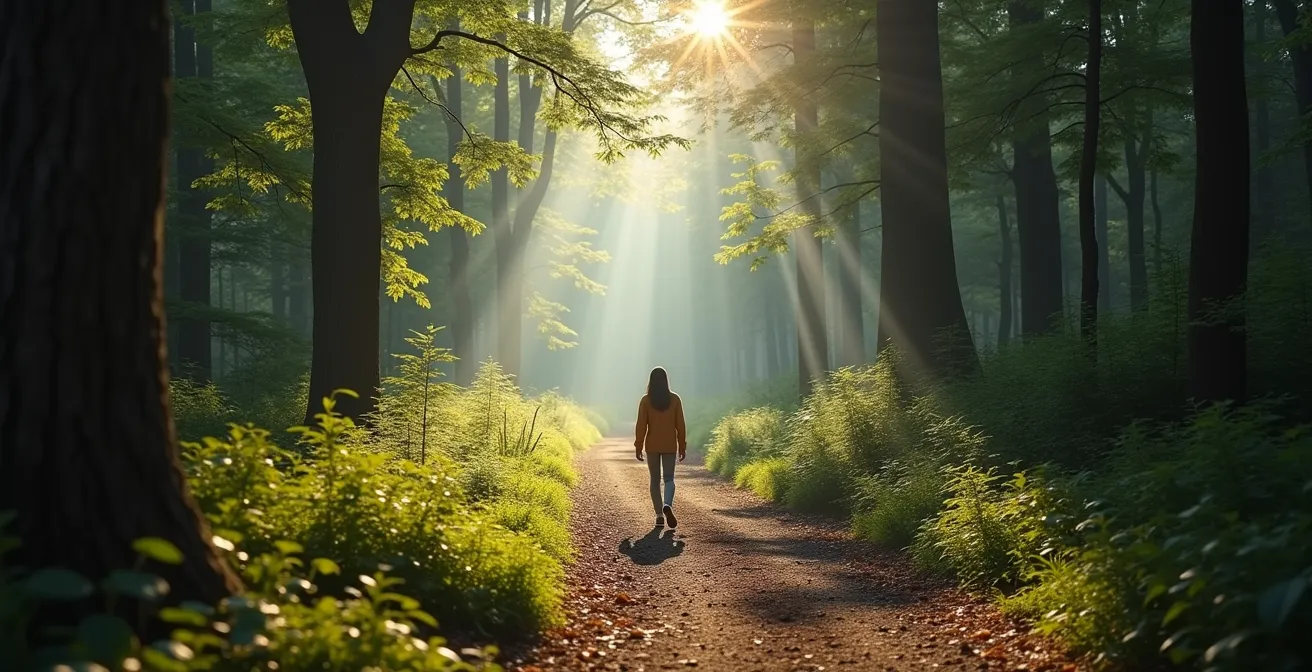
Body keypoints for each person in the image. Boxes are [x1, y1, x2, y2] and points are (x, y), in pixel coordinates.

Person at [634, 366, 687, 529]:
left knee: (654, 480)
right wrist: (682, 445)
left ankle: (659, 516)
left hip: (652, 445)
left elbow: (641, 425)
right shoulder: (675, 399)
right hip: (670, 445)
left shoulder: (645, 401)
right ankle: (667, 505)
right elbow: (680, 425)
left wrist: (638, 444)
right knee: (669, 479)